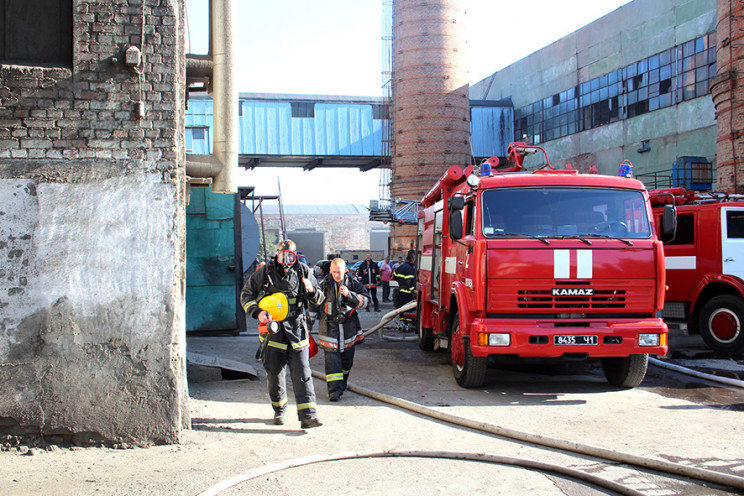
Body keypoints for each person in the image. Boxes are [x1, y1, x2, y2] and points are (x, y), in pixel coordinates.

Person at [241, 239, 325, 429]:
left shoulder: (304, 271)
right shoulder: (265, 273)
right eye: (282, 255)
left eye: (290, 255)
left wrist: (311, 290)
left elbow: (320, 299)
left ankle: (308, 416)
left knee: (303, 373)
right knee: (275, 375)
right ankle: (279, 410)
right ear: (277, 255)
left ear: (295, 255)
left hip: (297, 330)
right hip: (273, 333)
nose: (286, 259)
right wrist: (258, 312)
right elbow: (246, 295)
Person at [317, 258, 369, 401]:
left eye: (339, 272)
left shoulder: (353, 284)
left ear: (345, 270)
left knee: (347, 362)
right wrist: (307, 328)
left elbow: (366, 302)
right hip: (329, 328)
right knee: (332, 361)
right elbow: (313, 304)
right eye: (333, 272)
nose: (336, 275)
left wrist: (349, 295)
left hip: (348, 329)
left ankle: (342, 383)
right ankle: (334, 391)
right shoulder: (324, 285)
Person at [393, 250, 417, 332]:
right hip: (407, 293)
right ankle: (408, 324)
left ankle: (402, 323)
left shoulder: (401, 266)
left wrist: (400, 282)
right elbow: (410, 282)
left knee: (401, 308)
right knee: (409, 309)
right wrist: (413, 291)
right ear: (412, 260)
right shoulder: (409, 268)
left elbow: (394, 276)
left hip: (400, 291)